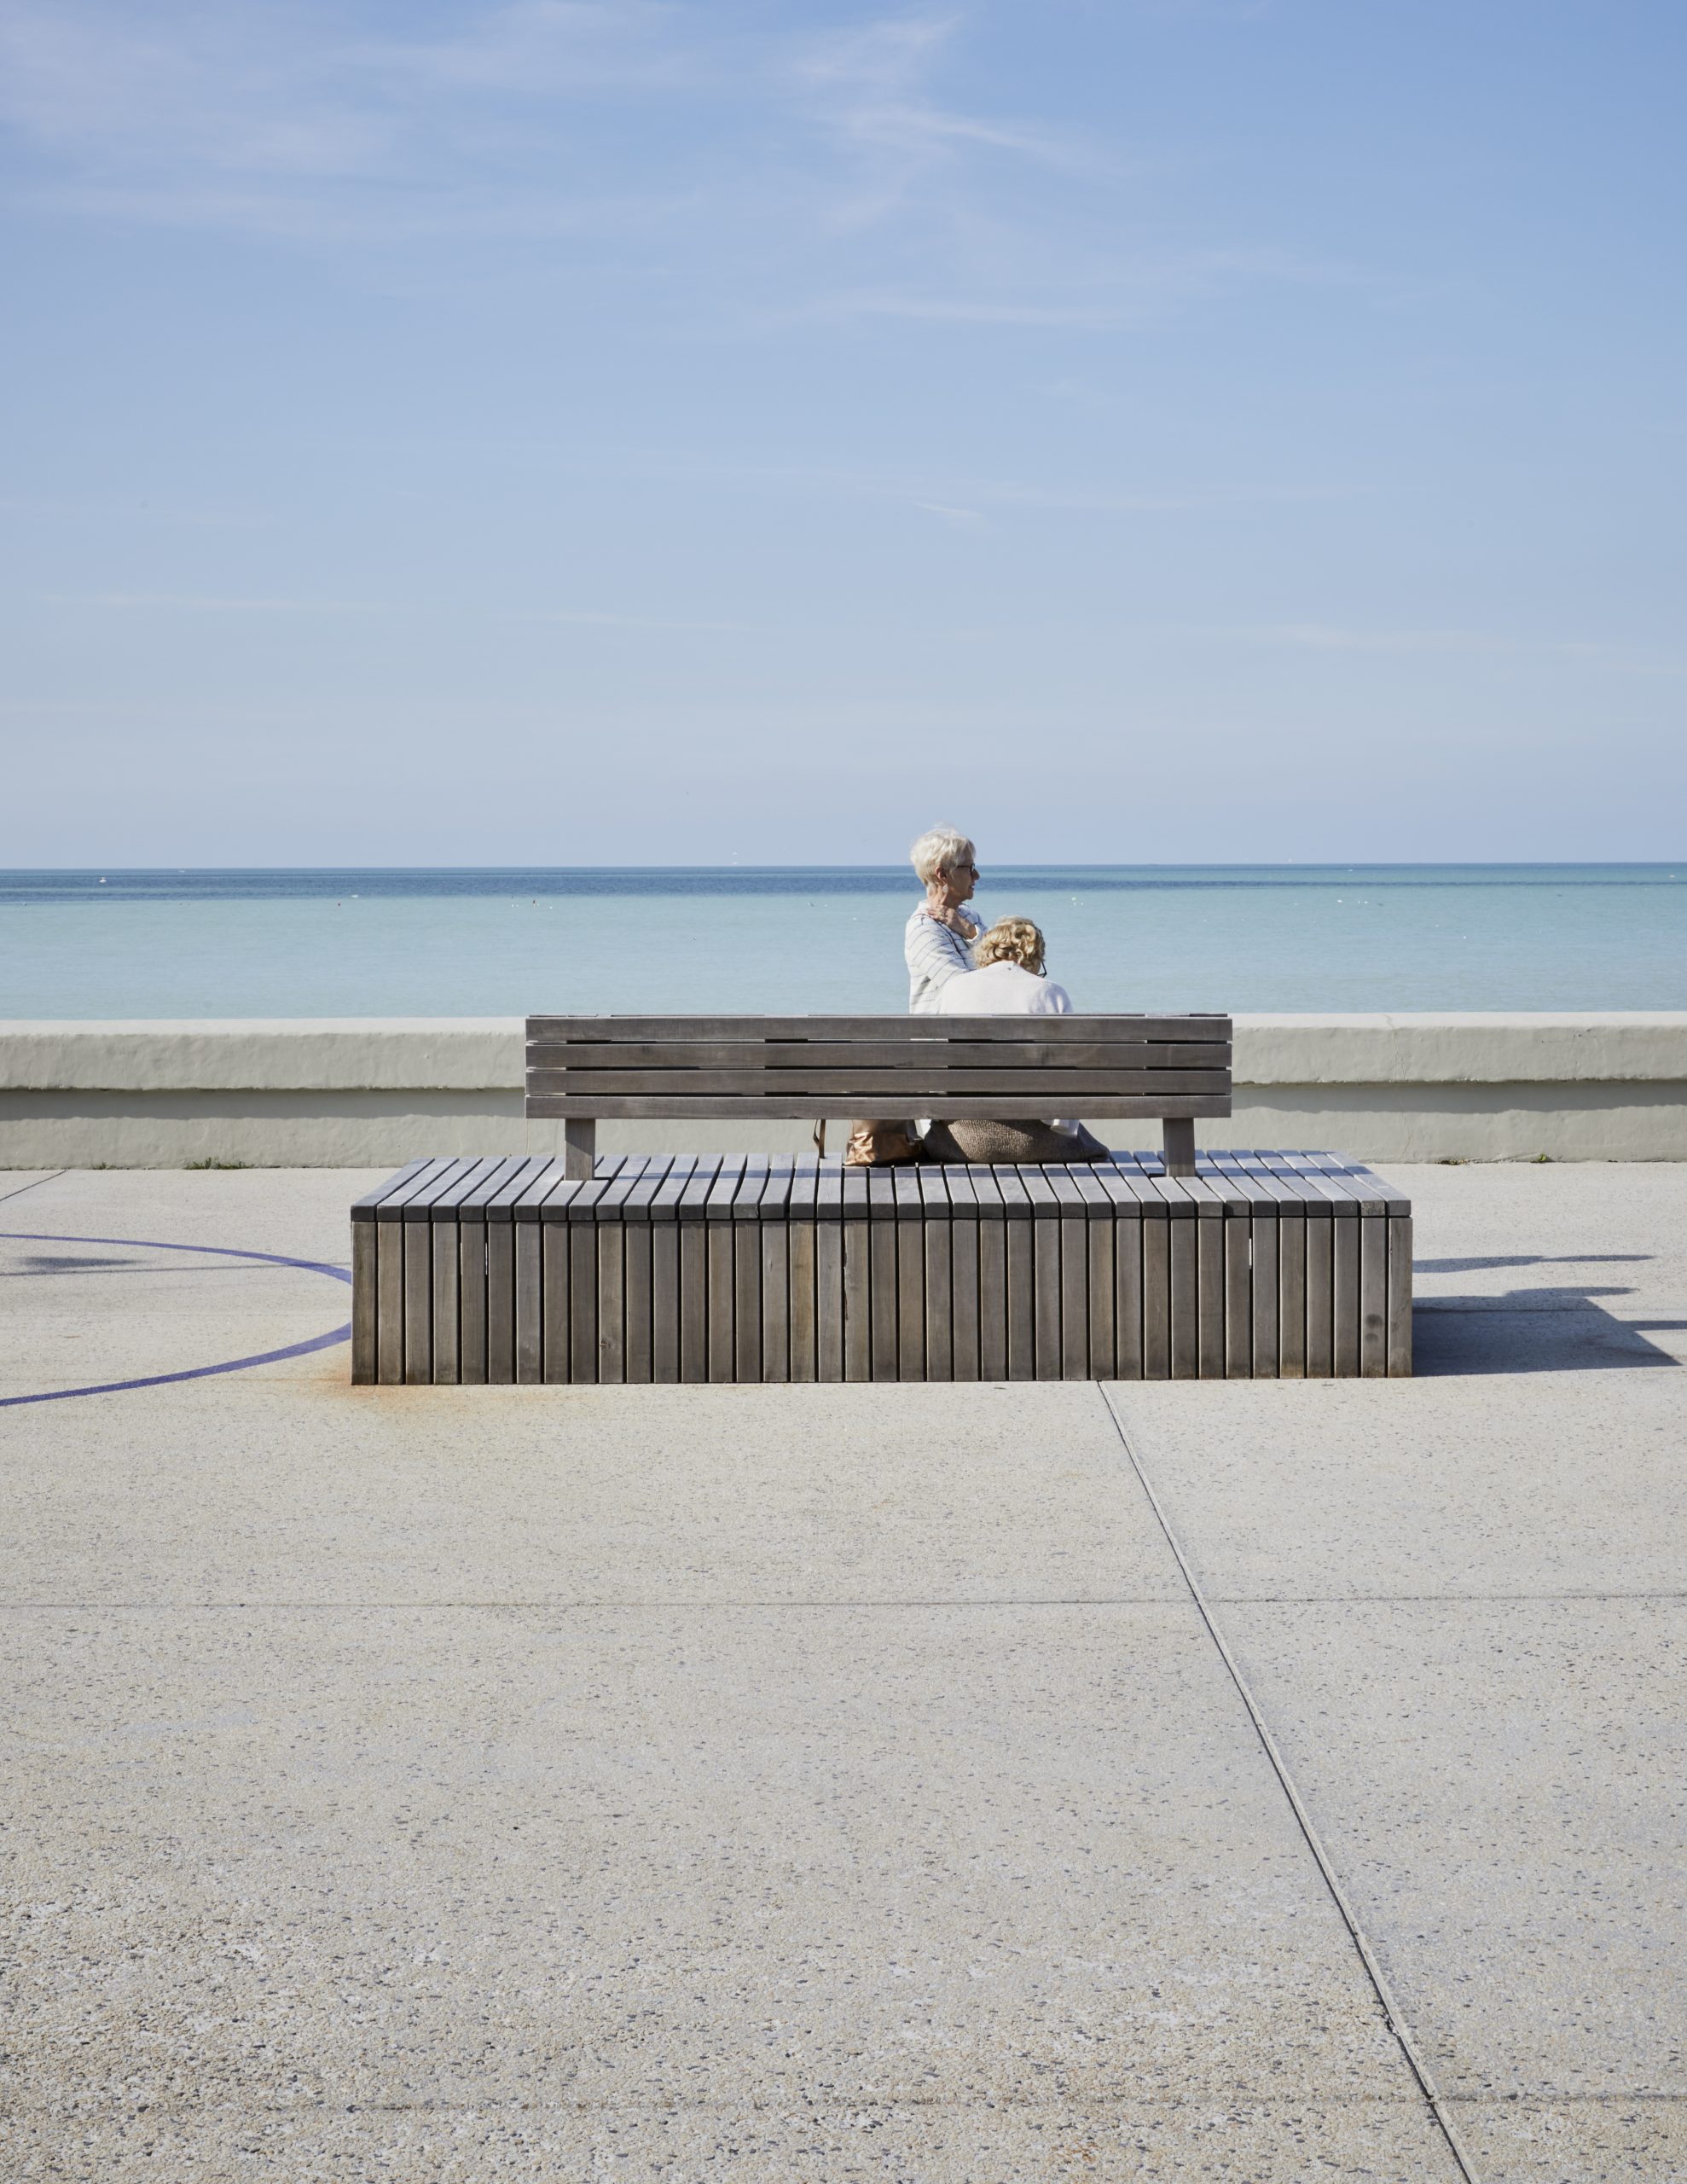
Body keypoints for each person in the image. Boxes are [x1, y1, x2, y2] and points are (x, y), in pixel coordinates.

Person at [923, 916, 1110, 1164]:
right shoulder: (1051, 992)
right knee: (1094, 1148)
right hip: (1037, 1144)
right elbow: (1068, 1076)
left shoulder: (954, 988)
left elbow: (935, 1068)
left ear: (987, 952)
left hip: (960, 1141)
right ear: (1033, 955)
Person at [905, 825, 983, 1014]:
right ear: (942, 875)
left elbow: (1003, 964)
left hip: (975, 1027)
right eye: (969, 868)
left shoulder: (969, 917)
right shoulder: (923, 929)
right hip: (943, 1031)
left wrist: (971, 931)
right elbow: (961, 988)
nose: (976, 876)